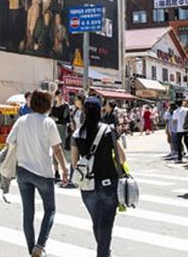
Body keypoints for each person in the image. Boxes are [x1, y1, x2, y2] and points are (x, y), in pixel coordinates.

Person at [8, 90, 69, 257]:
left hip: (23, 171)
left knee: (28, 213)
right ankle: (40, 245)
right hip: (43, 172)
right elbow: (57, 149)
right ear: (48, 105)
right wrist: (64, 169)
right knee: (50, 209)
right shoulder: (48, 122)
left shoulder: (21, 121)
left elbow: (10, 142)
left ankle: (31, 250)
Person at [71, 97, 127, 257]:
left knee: (97, 222)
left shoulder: (78, 133)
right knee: (107, 224)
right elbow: (122, 158)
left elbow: (74, 162)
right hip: (108, 183)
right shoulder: (108, 130)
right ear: (100, 111)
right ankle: (103, 253)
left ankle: (104, 252)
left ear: (83, 112)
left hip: (87, 185)